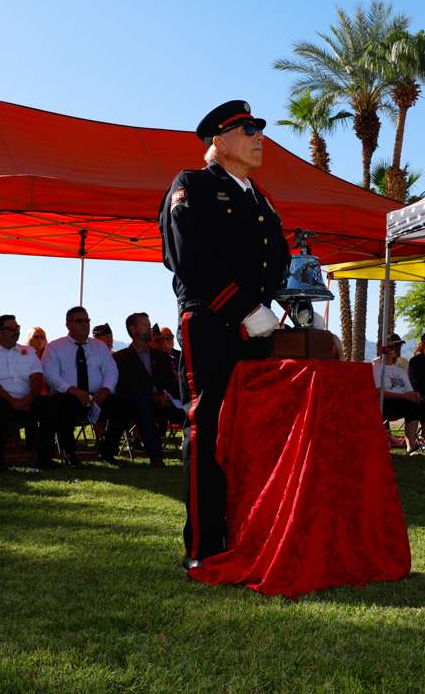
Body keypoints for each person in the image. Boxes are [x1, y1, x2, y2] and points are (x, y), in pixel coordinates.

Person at [159, 99, 290, 571]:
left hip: (259, 328)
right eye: (248, 128)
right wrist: (242, 309)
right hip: (212, 323)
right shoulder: (191, 185)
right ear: (218, 140)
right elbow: (188, 258)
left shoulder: (260, 197)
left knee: (250, 431)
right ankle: (205, 547)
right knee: (209, 428)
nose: (259, 136)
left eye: (259, 128)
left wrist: (292, 304)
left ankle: (246, 532)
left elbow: (278, 260)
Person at [0, 315, 58, 470]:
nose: (17, 331)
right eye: (12, 328)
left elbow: (38, 375)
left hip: (26, 402)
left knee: (47, 403)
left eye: (18, 327)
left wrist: (32, 397)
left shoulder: (28, 351)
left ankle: (45, 460)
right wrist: (10, 400)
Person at [42, 306, 119, 466]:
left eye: (87, 320)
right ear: (68, 324)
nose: (84, 324)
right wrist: (72, 390)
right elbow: (49, 375)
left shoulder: (100, 347)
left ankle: (108, 453)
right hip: (69, 396)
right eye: (79, 321)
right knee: (63, 403)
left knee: (121, 404)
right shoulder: (55, 347)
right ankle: (70, 454)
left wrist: (106, 389)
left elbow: (111, 371)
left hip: (98, 396)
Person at [108, 313, 185, 468]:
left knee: (192, 405)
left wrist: (166, 396)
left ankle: (196, 452)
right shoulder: (122, 357)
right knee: (143, 399)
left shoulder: (161, 356)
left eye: (149, 325)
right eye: (145, 326)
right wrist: (153, 398)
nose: (149, 329)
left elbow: (170, 382)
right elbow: (127, 385)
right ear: (133, 329)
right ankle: (156, 457)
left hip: (163, 401)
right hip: (136, 404)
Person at [374, 334, 425, 455]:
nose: (390, 350)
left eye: (392, 347)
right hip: (386, 401)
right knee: (412, 407)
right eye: (386, 348)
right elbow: (378, 391)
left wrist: (414, 395)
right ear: (380, 351)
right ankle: (411, 448)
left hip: (404, 400)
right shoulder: (376, 369)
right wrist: (403, 396)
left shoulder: (400, 370)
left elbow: (408, 390)